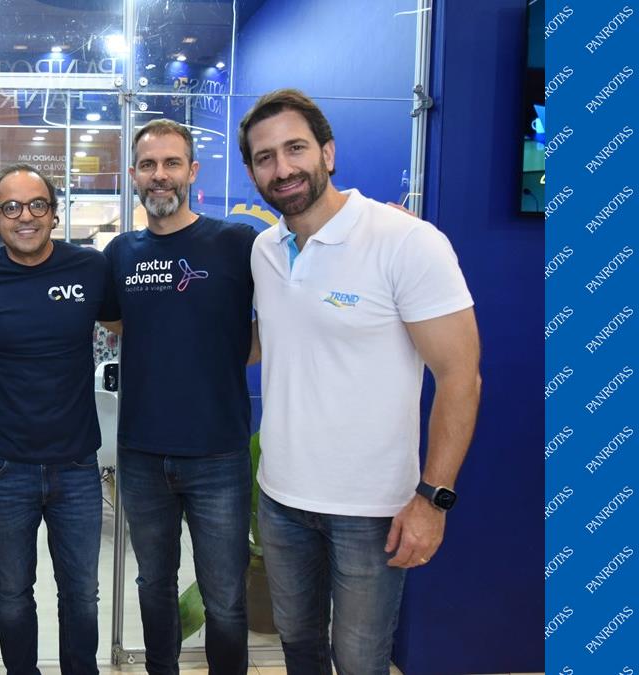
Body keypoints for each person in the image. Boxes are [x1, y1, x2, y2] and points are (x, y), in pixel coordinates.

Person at [239, 88, 481, 674]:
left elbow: (460, 377)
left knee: (360, 661)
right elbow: (269, 339)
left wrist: (433, 499)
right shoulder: (265, 250)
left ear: (328, 152)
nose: (282, 168)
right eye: (265, 157)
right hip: (280, 497)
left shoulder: (406, 241)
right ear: (252, 172)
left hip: (371, 509)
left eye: (295, 148)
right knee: (298, 647)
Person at [103, 119, 258, 674]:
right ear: (134, 175)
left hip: (219, 454)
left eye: (171, 163)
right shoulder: (120, 253)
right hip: (142, 453)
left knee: (226, 597)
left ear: (192, 171)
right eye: (148, 165)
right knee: (153, 585)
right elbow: (116, 322)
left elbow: (290, 304)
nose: (160, 175)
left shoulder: (236, 243)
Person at [0, 164, 119, 674]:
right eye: (11, 207)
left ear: (53, 213)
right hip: (4, 467)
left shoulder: (90, 269)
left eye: (37, 205)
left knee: (82, 594)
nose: (25, 216)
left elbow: (130, 326)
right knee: (11, 593)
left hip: (77, 464)